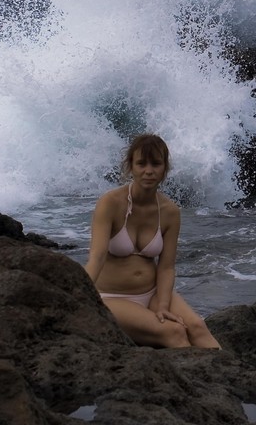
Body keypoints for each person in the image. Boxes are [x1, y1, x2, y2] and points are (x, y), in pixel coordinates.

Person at [84, 133, 220, 349]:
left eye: (156, 164)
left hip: (152, 293)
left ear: (165, 168)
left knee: (196, 327)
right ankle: (194, 381)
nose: (148, 171)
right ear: (130, 167)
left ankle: (228, 379)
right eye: (141, 164)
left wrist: (163, 305)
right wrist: (81, 297)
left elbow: (166, 267)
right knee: (174, 332)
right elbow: (97, 257)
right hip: (111, 297)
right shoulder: (110, 203)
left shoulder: (169, 211)